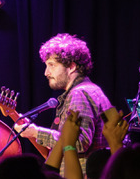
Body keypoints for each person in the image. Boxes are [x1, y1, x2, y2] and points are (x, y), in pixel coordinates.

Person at [11, 32, 112, 163]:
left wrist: (36, 132)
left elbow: (79, 142)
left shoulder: (80, 93)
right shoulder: (92, 90)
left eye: (51, 65)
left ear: (71, 66)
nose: (46, 73)